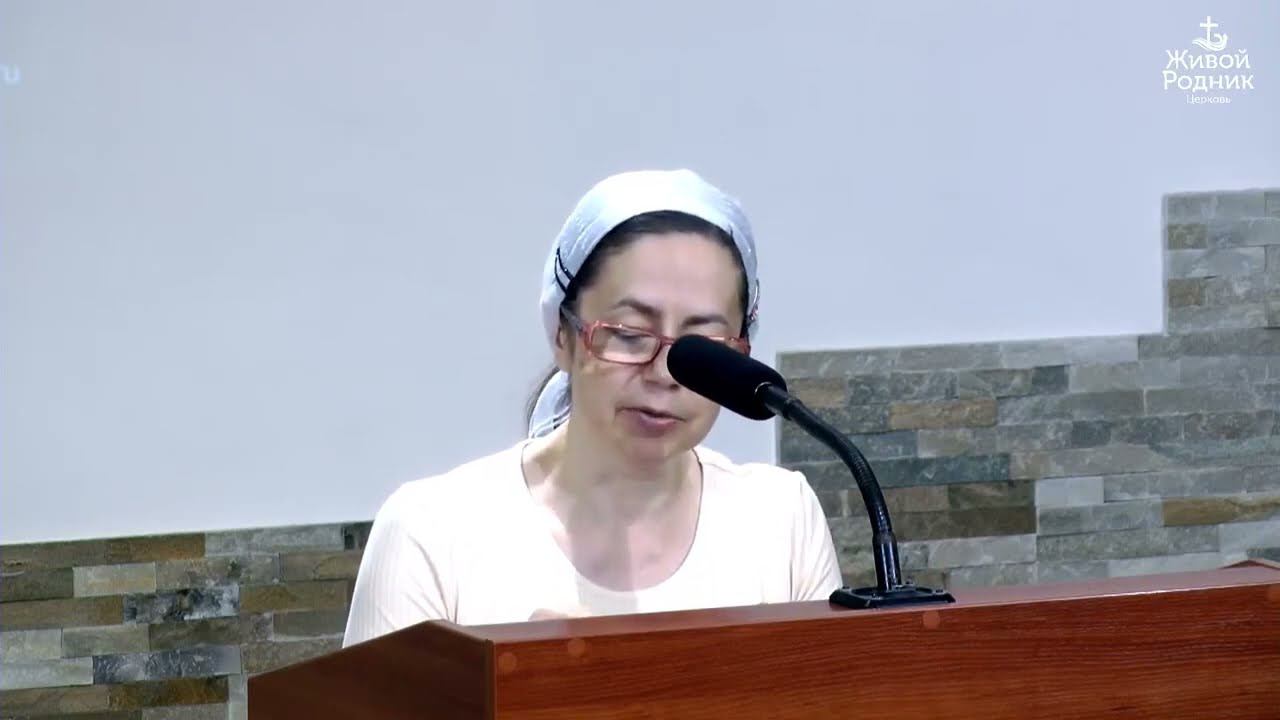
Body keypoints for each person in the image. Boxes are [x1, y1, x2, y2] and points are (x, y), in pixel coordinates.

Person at [342, 169, 841, 645]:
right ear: (564, 335)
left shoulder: (781, 520)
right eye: (628, 334)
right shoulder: (432, 535)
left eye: (703, 345)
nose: (663, 373)